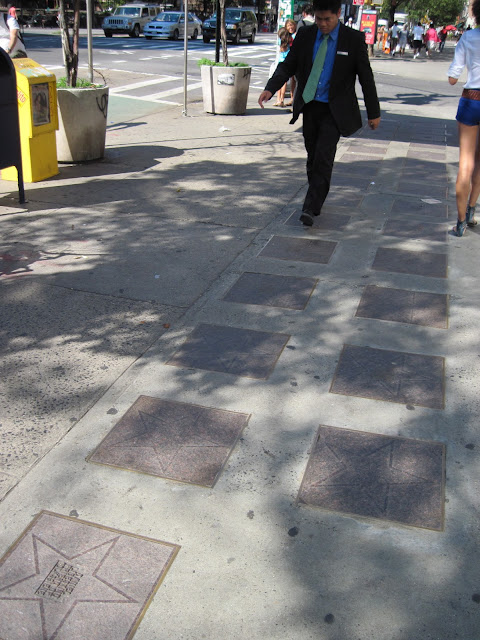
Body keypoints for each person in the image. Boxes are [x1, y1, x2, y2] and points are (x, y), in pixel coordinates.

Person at [258, 0, 380, 227]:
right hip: (310, 105)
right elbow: (288, 65)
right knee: (313, 156)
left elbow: (366, 77)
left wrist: (374, 112)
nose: (323, 24)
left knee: (324, 156)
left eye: (328, 19)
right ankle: (316, 191)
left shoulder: (352, 40)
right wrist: (270, 87)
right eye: (319, 19)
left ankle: (311, 207)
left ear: (338, 14)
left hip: (335, 109)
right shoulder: (306, 35)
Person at [447, 0, 480, 236]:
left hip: (471, 99)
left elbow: (452, 77)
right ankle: (471, 209)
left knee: (465, 162)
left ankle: (459, 223)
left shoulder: (468, 38)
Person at [273, 27, 290, 107]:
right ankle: (281, 99)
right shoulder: (289, 41)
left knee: (278, 80)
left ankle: (278, 99)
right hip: (287, 62)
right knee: (284, 82)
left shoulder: (280, 41)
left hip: (280, 62)